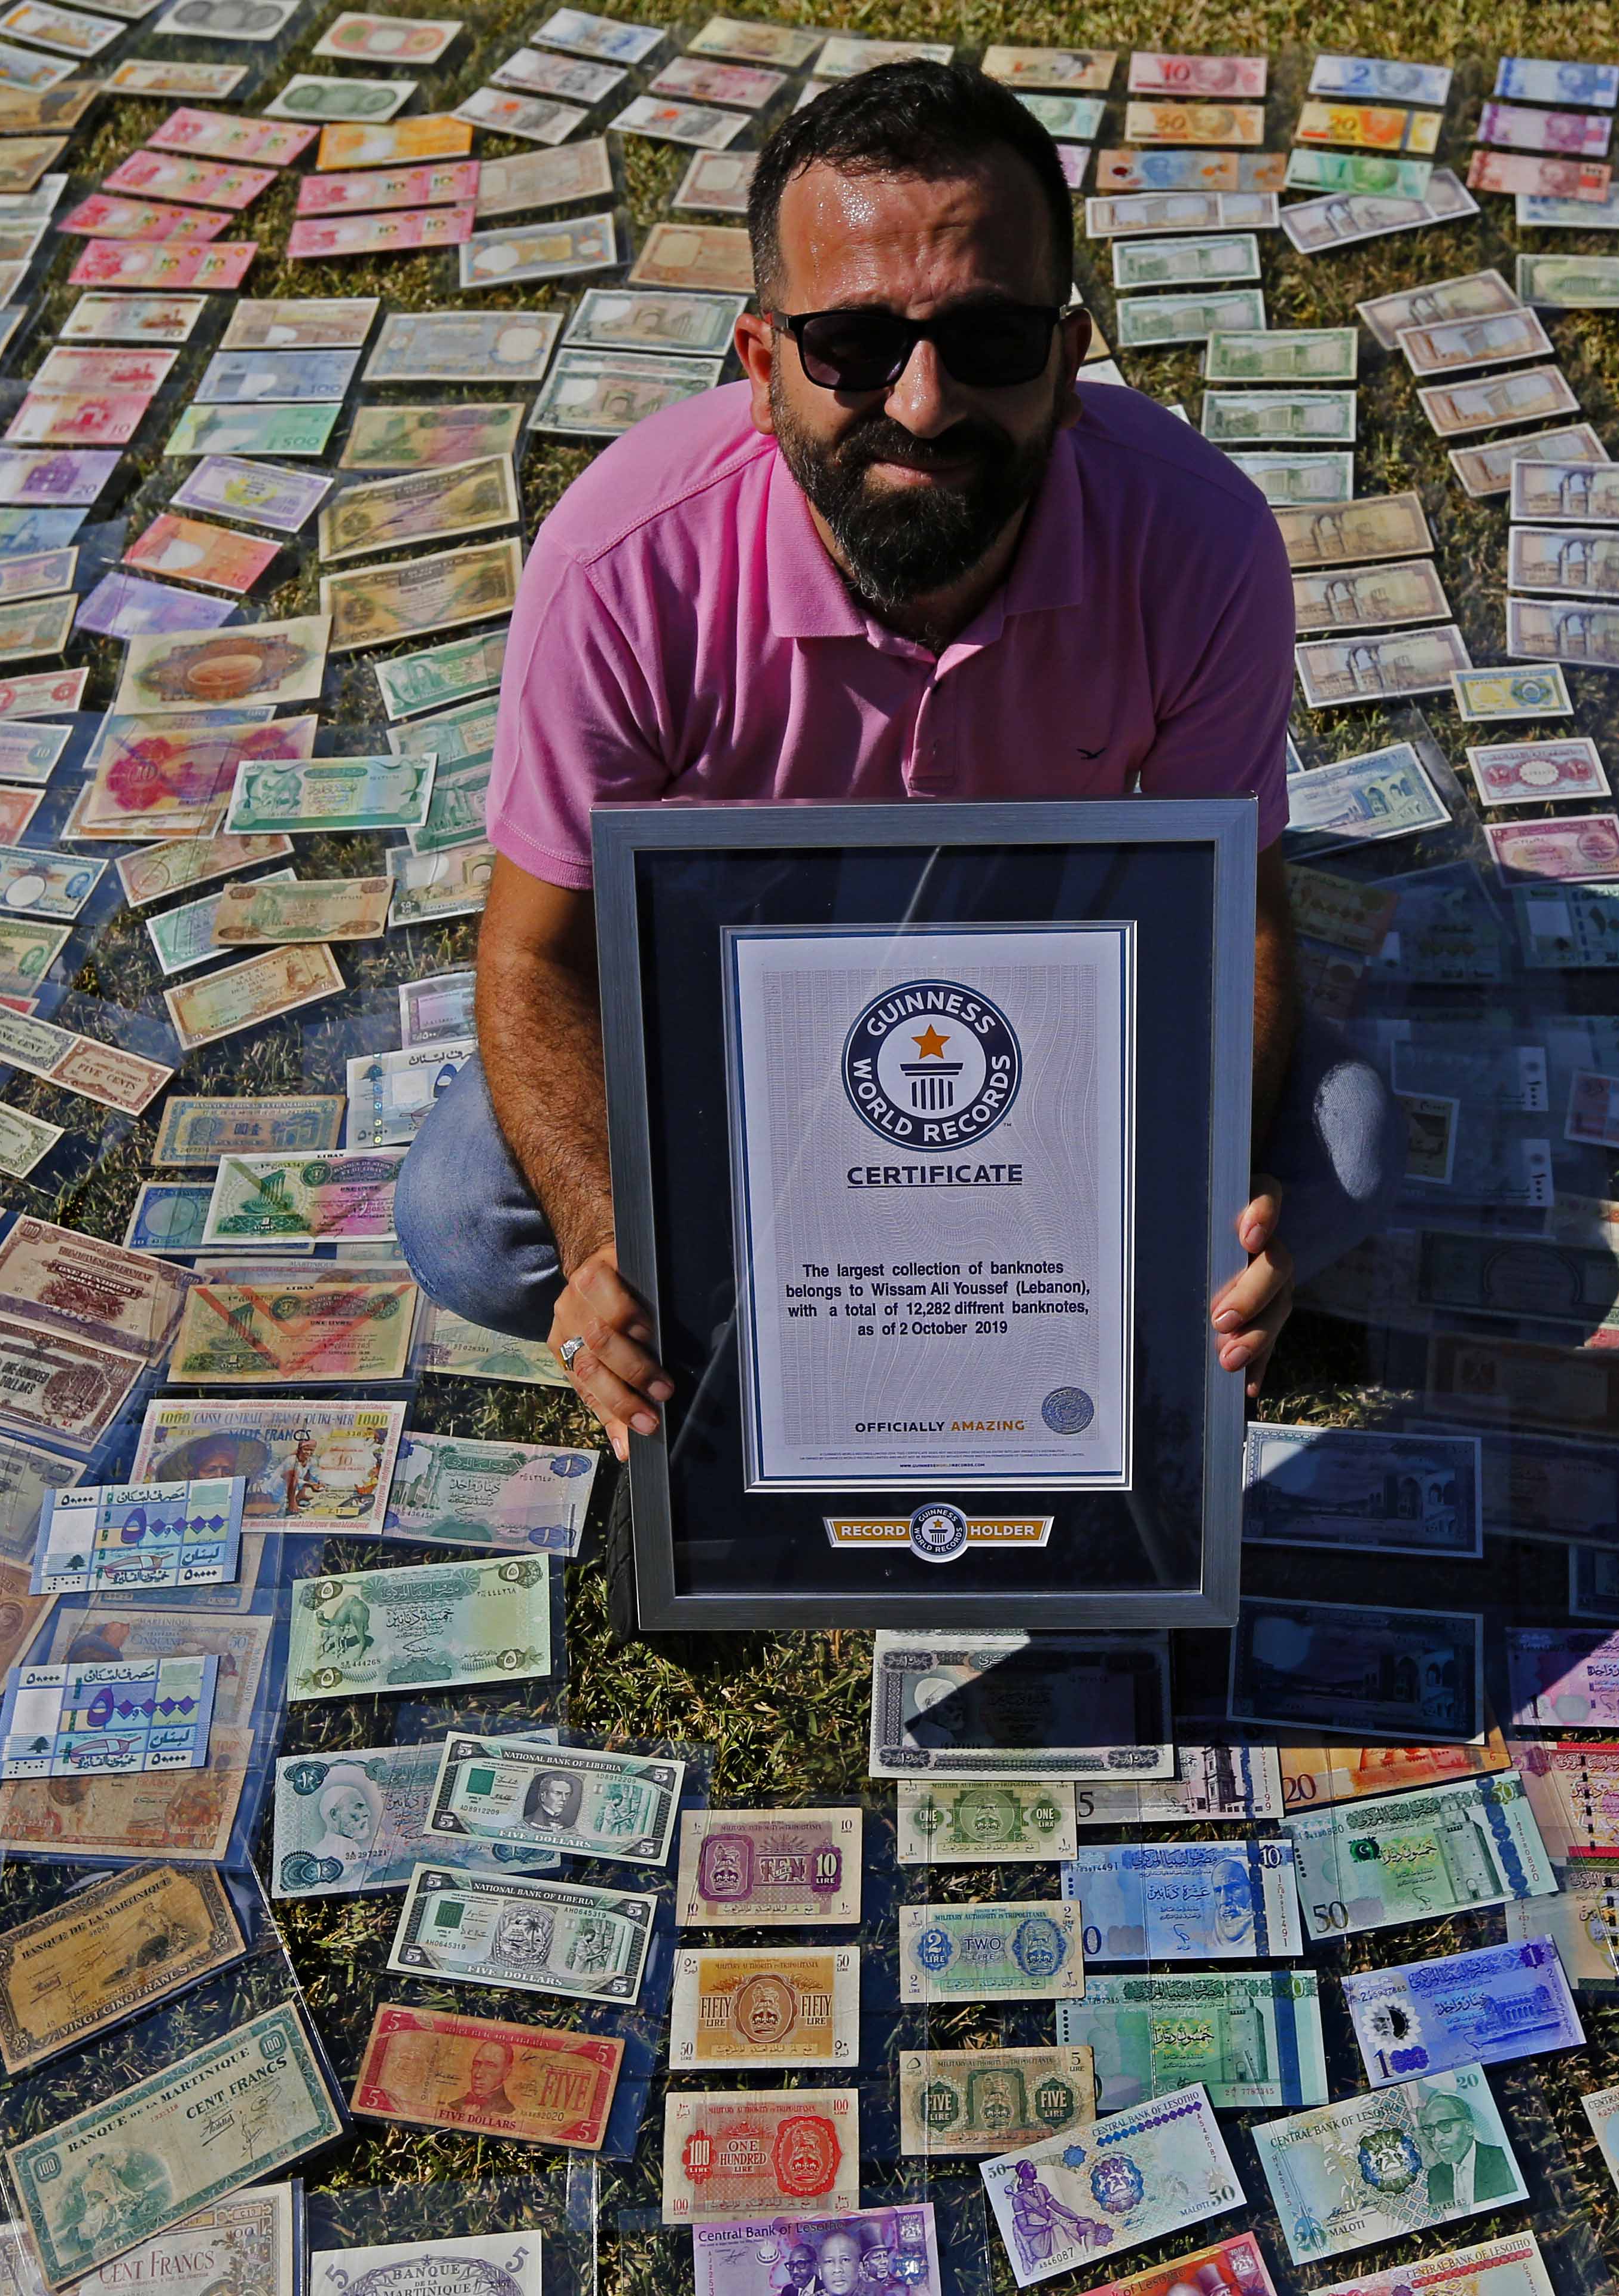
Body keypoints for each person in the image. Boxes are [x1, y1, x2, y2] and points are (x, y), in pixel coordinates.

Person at [395, 62, 1401, 1451]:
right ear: (763, 370)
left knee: (1347, 1153)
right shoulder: (620, 565)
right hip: (726, 1030)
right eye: (855, 346)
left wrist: (1191, 1200)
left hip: (1055, 1008)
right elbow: (532, 955)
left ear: (1068, 359)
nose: (924, 405)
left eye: (989, 339)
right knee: (468, 1221)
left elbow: (1238, 915)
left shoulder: (1204, 539)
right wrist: (604, 1235)